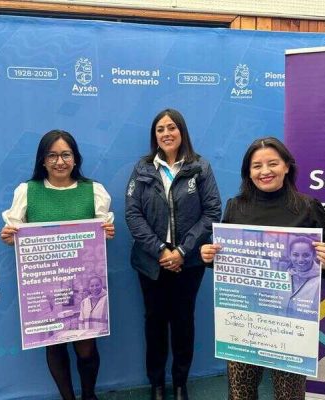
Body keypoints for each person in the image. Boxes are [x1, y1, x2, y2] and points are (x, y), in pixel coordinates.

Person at [201, 137, 325, 400]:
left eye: (273, 163)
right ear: (248, 172)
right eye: (257, 166)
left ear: (286, 166)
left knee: (289, 396)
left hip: (290, 323)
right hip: (244, 321)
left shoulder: (309, 207)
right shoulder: (235, 206)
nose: (265, 171)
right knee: (240, 394)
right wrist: (210, 257)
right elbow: (229, 263)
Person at [0, 129, 115, 400]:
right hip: (45, 286)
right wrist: (9, 237)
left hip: (85, 285)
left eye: (66, 155)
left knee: (86, 347)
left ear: (75, 159)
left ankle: (89, 396)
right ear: (42, 160)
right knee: (54, 344)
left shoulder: (94, 191)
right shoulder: (27, 191)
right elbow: (16, 235)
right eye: (52, 155)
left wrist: (107, 232)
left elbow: (100, 234)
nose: (59, 161)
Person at [125, 109, 221, 400]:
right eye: (160, 129)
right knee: (154, 323)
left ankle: (180, 384)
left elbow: (212, 212)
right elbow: (132, 214)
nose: (166, 133)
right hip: (150, 262)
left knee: (183, 322)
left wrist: (181, 251)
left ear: (182, 131)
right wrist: (160, 250)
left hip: (188, 263)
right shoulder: (142, 168)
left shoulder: (200, 167)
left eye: (171, 127)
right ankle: (156, 384)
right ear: (154, 135)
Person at [285, 236, 320, 318]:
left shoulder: (320, 280)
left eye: (306, 255)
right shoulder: (285, 276)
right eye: (295, 255)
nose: (300, 260)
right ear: (290, 255)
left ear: (314, 255)